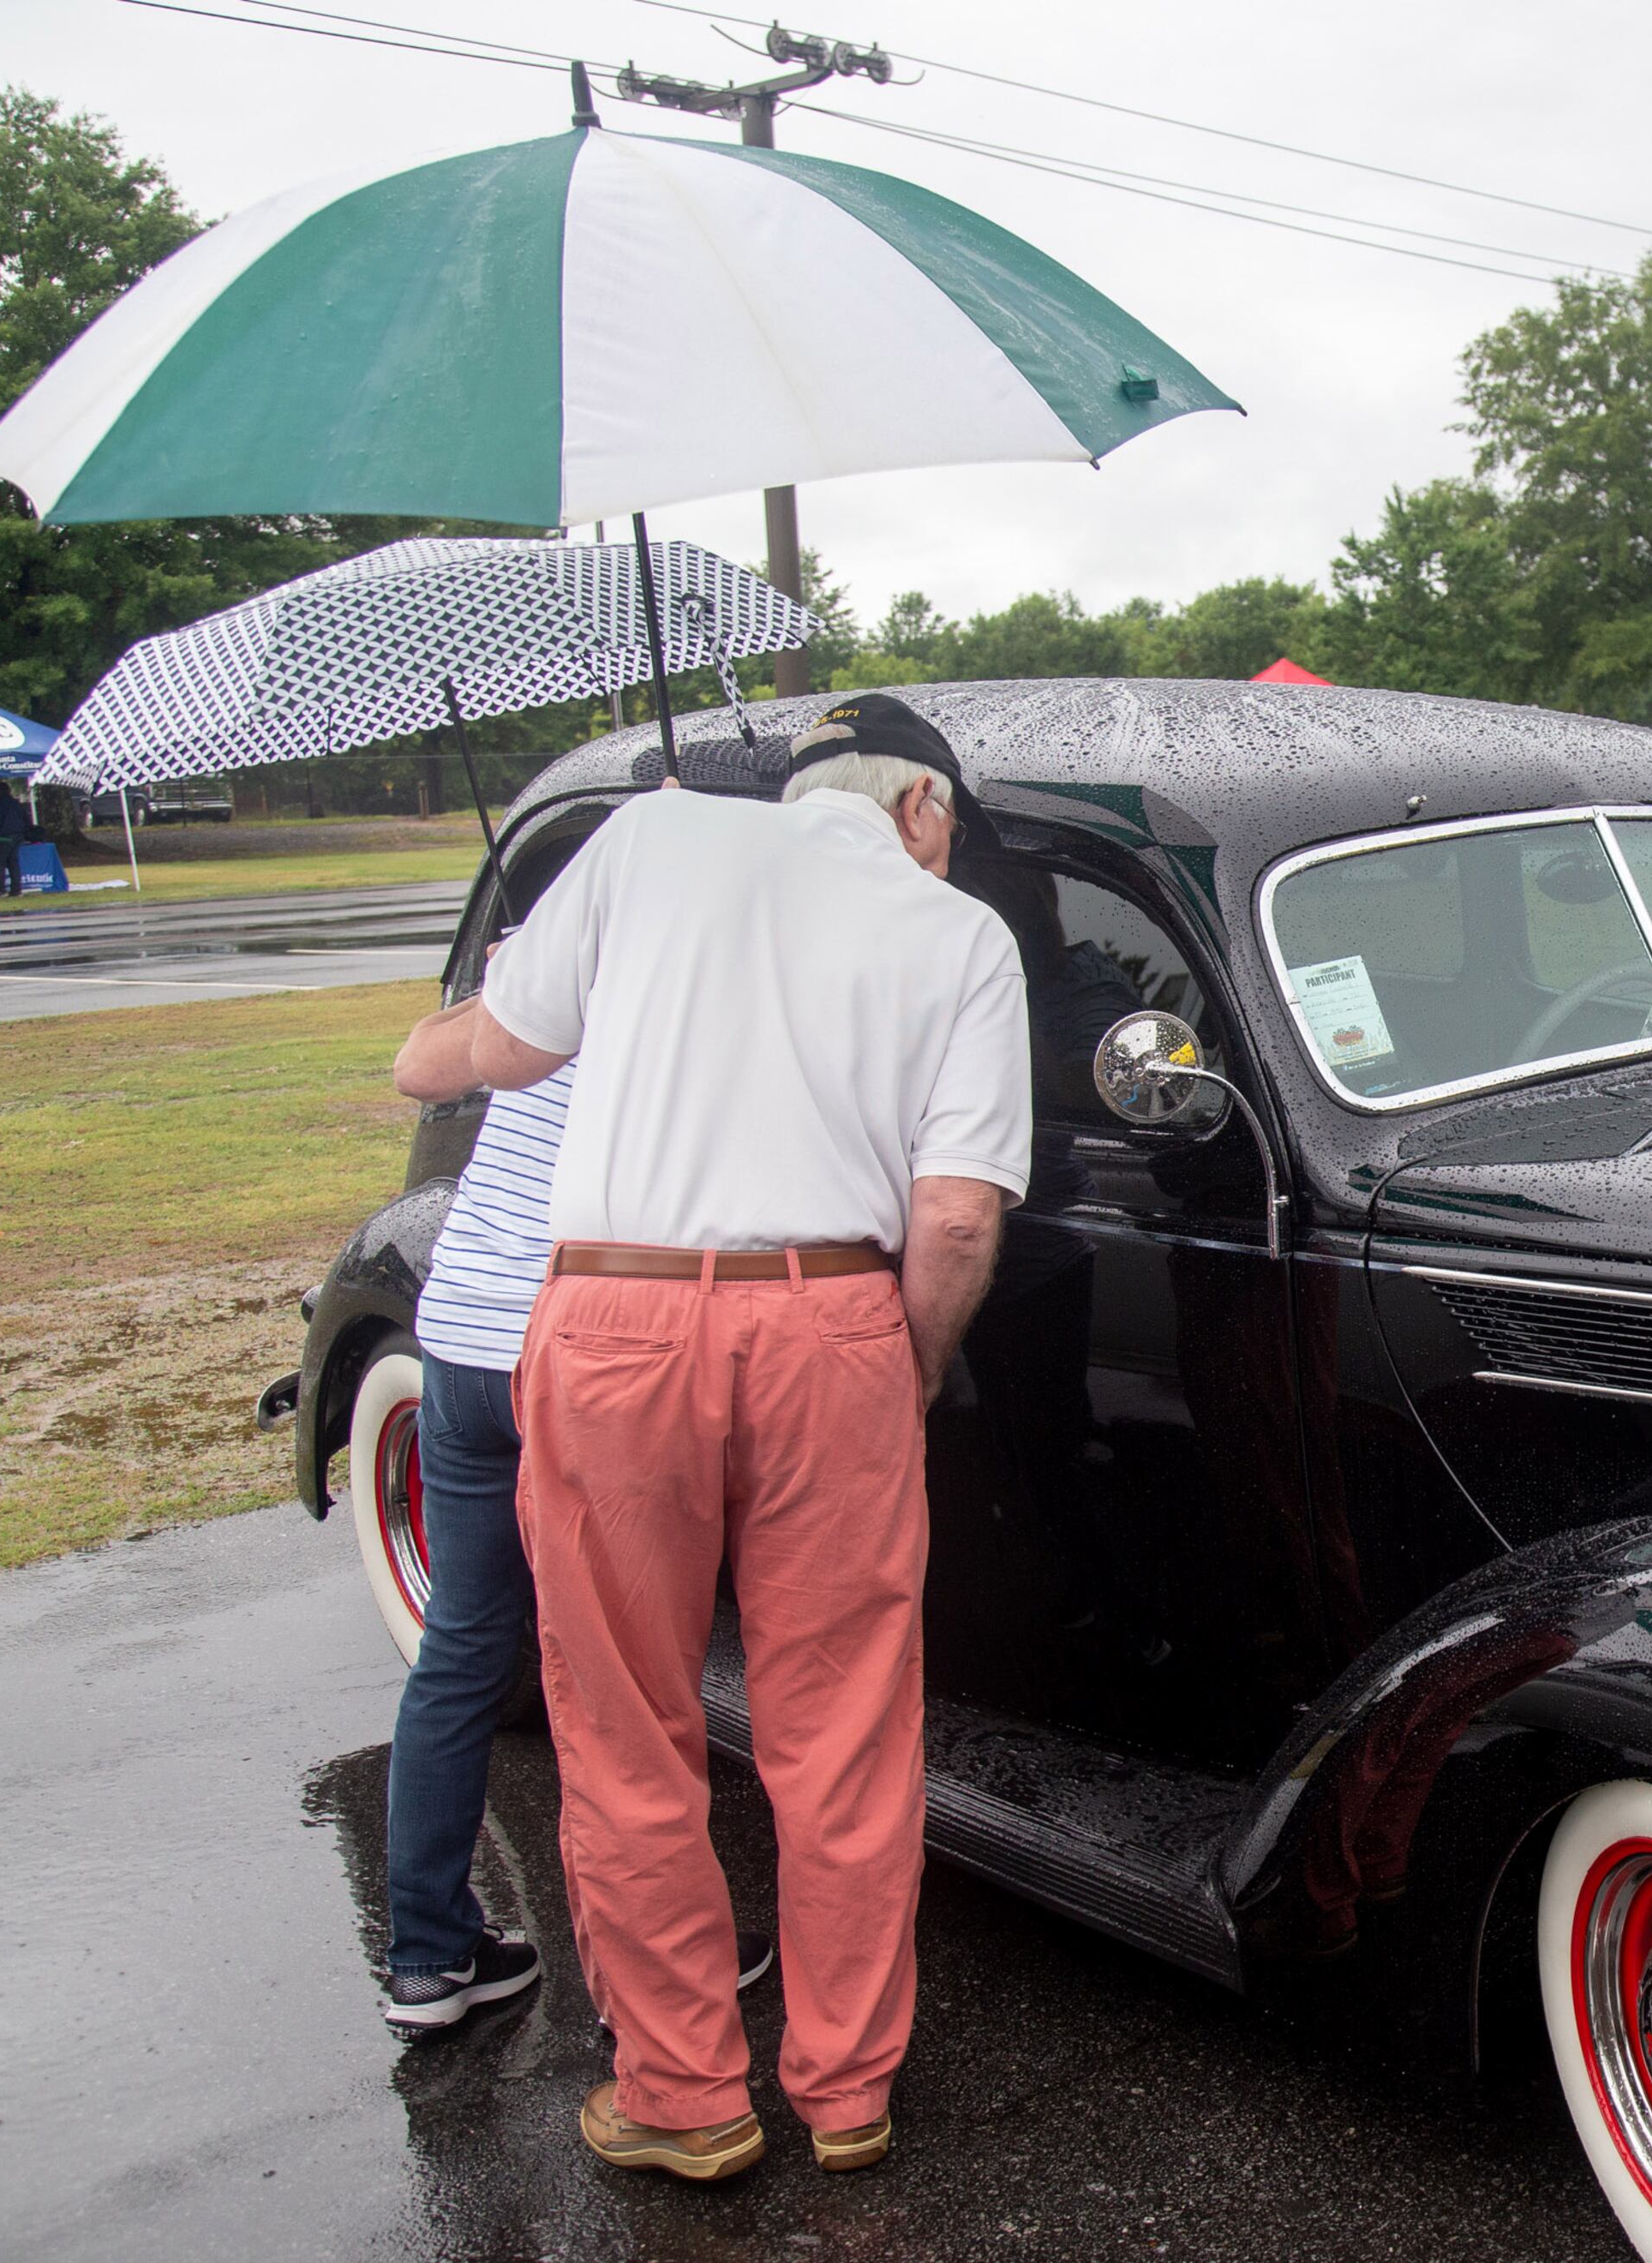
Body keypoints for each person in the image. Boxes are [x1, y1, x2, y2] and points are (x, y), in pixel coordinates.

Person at [406, 691, 1033, 2182]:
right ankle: (846, 2087)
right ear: (921, 813)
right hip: (831, 1323)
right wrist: (909, 1362)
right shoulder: (961, 939)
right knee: (848, 1730)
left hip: (616, 1322)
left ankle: (684, 2095)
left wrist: (427, 1035)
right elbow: (954, 1216)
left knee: (625, 1723)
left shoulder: (650, 843)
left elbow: (482, 1053)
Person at [373, 1002, 779, 2039]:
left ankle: (427, 1957)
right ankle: (655, 1973)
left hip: (461, 1336)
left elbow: (419, 1060)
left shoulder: (552, 965)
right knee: (618, 1671)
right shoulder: (688, 974)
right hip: (575, 1345)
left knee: (463, 1643)